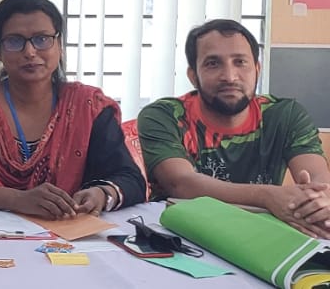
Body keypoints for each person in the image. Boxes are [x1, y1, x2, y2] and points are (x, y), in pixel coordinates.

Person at [0, 0, 146, 217]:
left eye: (42, 39)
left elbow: (129, 178)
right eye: (15, 41)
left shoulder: (88, 106)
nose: (30, 52)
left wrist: (101, 193)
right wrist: (17, 200)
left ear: (59, 45)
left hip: (68, 230)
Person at [139, 18, 330, 237]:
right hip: (181, 237)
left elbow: (319, 180)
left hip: (261, 236)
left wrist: (315, 201)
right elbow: (181, 184)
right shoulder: (164, 116)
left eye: (240, 62)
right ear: (193, 76)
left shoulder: (285, 115)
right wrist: (267, 196)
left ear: (257, 69)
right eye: (213, 63)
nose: (229, 77)